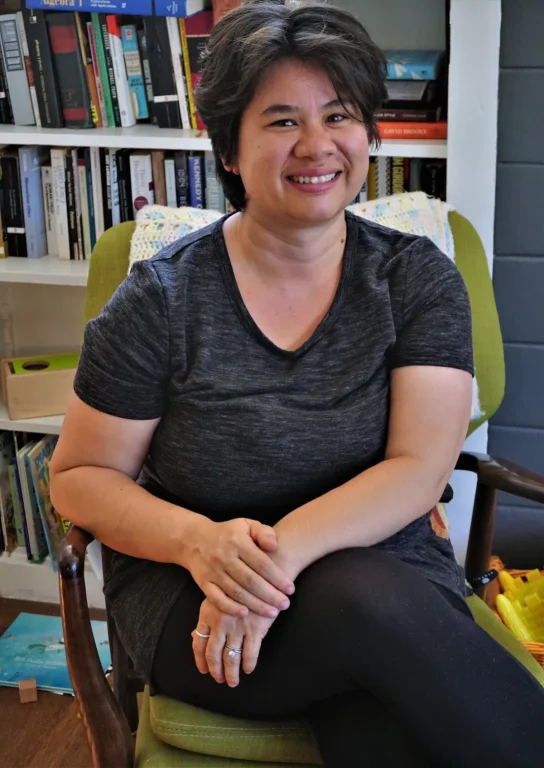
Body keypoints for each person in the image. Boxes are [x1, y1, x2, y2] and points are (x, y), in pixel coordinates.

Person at [50, 2, 544, 766]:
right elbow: (81, 477)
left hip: (383, 577)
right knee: (368, 614)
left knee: (382, 701)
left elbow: (419, 468)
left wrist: (275, 560)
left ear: (367, 131)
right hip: (197, 594)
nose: (317, 146)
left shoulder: (415, 280)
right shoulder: (161, 299)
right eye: (281, 121)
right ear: (229, 151)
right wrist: (202, 544)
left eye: (339, 114)